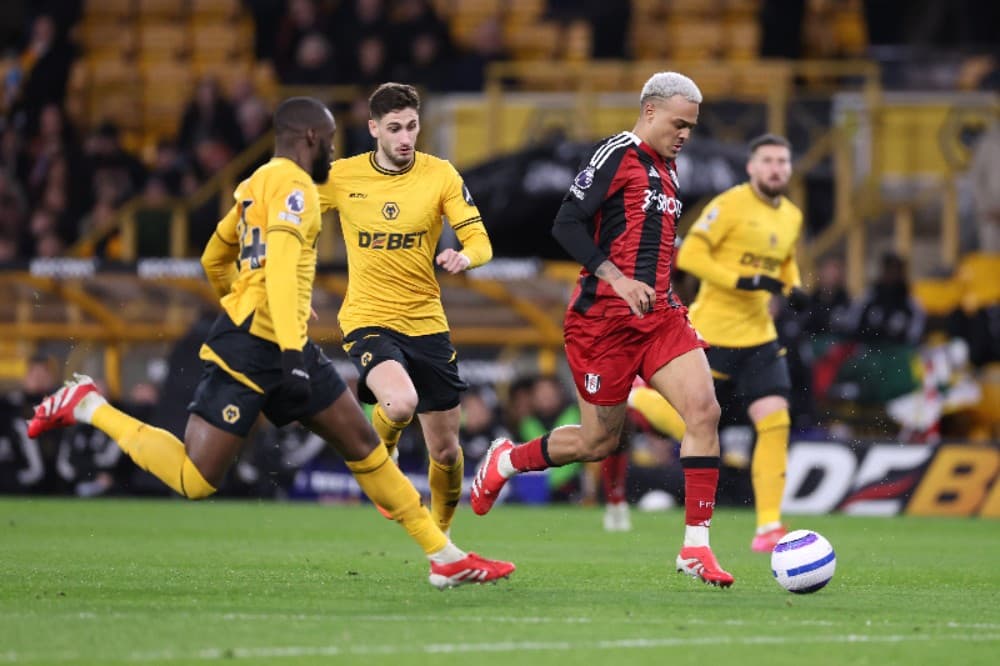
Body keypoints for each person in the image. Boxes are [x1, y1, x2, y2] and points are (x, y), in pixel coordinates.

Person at [26, 97, 513, 589]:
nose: (333, 153)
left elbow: (215, 257)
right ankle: (89, 405)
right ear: (310, 140)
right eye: (328, 142)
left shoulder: (253, 185)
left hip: (286, 337)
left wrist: (241, 301)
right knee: (197, 480)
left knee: (365, 446)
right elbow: (280, 266)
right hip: (261, 348)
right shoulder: (299, 188)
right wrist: (277, 337)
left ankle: (443, 555)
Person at [470, 72, 734, 587]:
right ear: (651, 111)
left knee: (705, 410)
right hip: (603, 324)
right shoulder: (617, 152)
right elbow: (566, 222)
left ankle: (695, 548)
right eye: (679, 123)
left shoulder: (669, 169)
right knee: (599, 443)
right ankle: (506, 459)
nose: (685, 134)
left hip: (659, 318)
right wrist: (616, 278)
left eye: (692, 127)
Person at [317, 83, 493, 535]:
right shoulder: (341, 176)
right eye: (394, 128)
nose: (405, 138)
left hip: (427, 322)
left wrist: (464, 257)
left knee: (448, 453)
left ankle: (442, 534)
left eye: (412, 126)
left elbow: (480, 241)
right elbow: (293, 221)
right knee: (400, 403)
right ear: (374, 128)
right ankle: (381, 460)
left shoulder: (441, 175)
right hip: (368, 318)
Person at [675, 133, 807, 553]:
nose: (775, 168)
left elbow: (784, 261)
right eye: (767, 160)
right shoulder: (729, 204)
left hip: (759, 338)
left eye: (782, 162)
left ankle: (768, 526)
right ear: (751, 167)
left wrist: (793, 287)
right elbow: (689, 256)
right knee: (694, 420)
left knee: (775, 420)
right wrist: (742, 281)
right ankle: (643, 400)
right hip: (712, 333)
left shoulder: (792, 216)